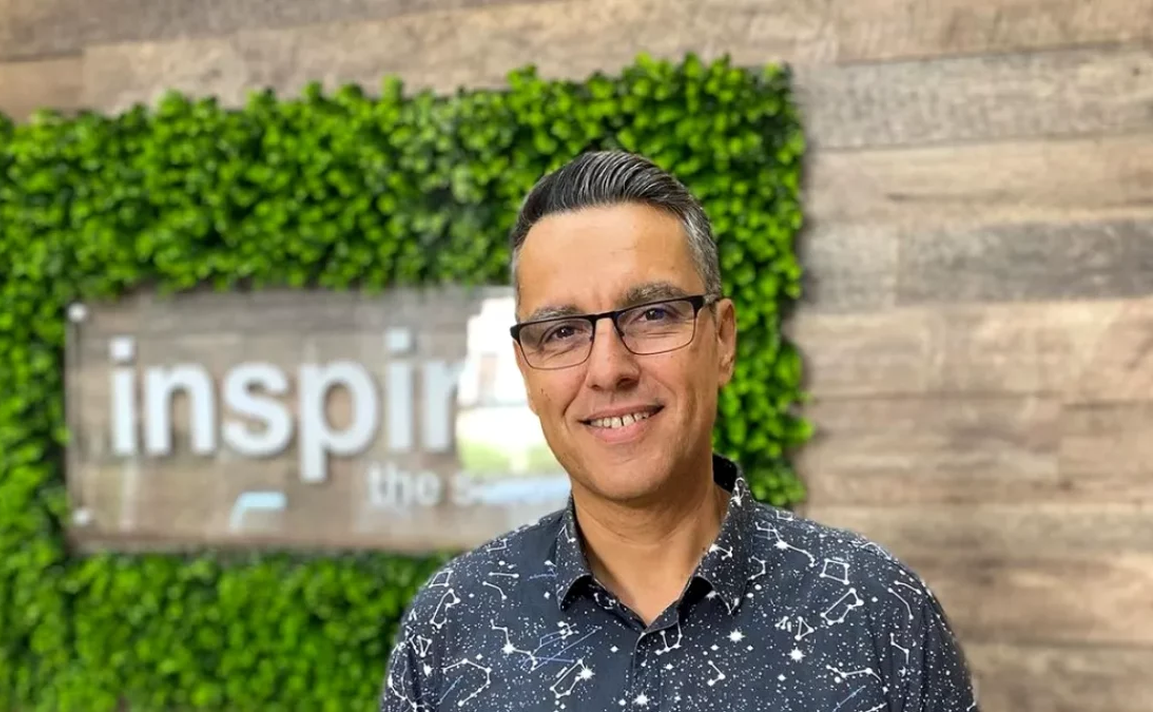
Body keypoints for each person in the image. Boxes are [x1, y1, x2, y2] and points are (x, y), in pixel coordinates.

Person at [379, 150, 979, 711]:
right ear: (526, 371)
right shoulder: (450, 628)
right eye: (562, 331)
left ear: (723, 340)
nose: (609, 369)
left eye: (653, 314)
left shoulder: (878, 613)